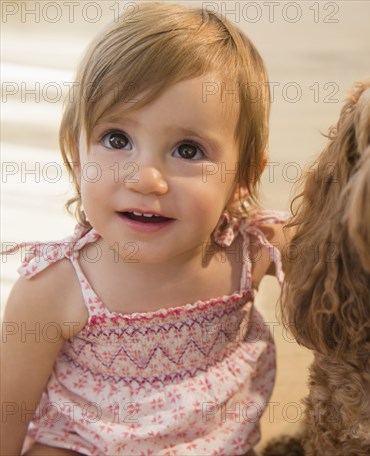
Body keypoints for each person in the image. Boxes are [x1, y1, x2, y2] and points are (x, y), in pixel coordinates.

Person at [0, 3, 288, 455]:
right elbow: (7, 416)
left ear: (243, 178)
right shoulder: (55, 288)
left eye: (188, 150)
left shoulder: (248, 251)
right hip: (84, 445)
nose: (145, 179)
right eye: (117, 140)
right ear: (77, 158)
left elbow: (349, 252)